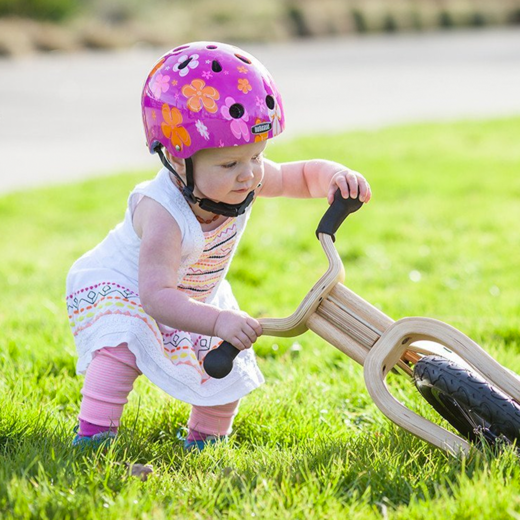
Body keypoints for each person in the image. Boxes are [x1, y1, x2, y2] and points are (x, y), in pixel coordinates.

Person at [66, 41, 372, 451]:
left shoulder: (247, 177)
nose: (249, 175)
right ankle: (95, 435)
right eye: (229, 164)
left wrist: (336, 177)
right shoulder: (162, 213)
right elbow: (155, 297)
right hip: (130, 288)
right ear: (177, 160)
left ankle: (205, 439)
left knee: (230, 361)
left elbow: (300, 177)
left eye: (257, 156)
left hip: (197, 291)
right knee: (121, 348)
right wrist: (214, 322)